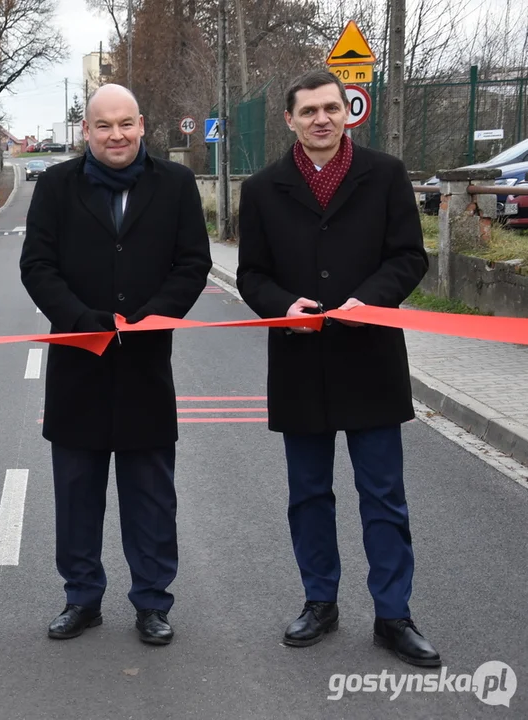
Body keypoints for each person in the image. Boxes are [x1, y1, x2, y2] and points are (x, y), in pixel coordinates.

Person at [236, 70, 438, 667]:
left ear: (348, 111)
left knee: (383, 495)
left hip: (370, 358)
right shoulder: (264, 188)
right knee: (308, 494)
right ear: (291, 121)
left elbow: (409, 257)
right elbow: (251, 274)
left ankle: (393, 614)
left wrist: (368, 301)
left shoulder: (386, 175)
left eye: (331, 108)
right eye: (309, 111)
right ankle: (319, 601)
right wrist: (281, 306)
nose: (322, 119)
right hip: (299, 362)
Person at [20, 84, 211, 645]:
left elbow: (193, 262)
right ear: (86, 131)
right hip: (78, 364)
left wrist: (155, 316)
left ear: (143, 124)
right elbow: (38, 266)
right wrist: (81, 319)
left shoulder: (175, 185)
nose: (116, 135)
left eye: (126, 123)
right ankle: (81, 598)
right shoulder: (56, 186)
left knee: (151, 495)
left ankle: (153, 602)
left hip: (147, 364)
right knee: (77, 493)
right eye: (104, 126)